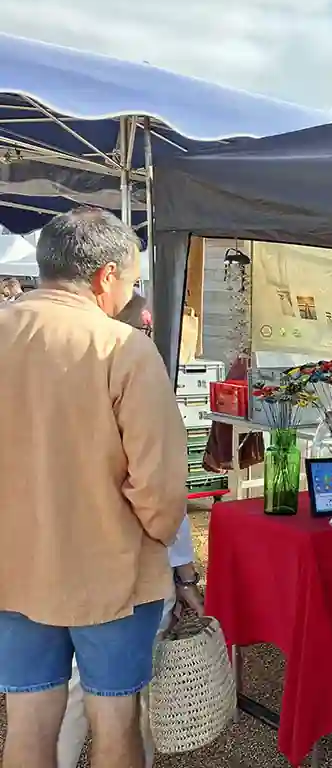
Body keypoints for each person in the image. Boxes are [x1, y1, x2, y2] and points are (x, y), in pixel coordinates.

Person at [0, 207, 188, 768]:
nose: (130, 295)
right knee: (114, 721)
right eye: (131, 281)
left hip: (11, 568)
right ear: (107, 276)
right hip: (111, 568)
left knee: (27, 722)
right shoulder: (123, 347)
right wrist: (158, 540)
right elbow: (159, 483)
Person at [55, 292, 203, 768]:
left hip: (60, 559)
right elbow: (162, 492)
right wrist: (185, 575)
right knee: (132, 694)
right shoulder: (138, 378)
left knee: (67, 687)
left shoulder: (55, 377)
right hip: (130, 566)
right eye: (145, 329)